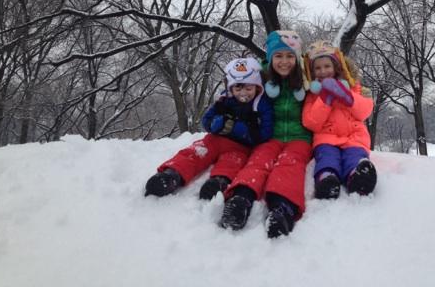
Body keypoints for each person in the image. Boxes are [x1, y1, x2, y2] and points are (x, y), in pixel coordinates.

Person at [219, 30, 312, 238]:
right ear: (270, 58)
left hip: (300, 137)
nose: (284, 62)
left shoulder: (306, 79)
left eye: (289, 56)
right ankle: (241, 198)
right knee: (259, 161)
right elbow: (239, 92)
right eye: (278, 56)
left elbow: (331, 74)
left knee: (290, 164)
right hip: (270, 135)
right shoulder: (261, 79)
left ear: (297, 58)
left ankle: (283, 206)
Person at [144, 57, 273, 200]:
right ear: (231, 88)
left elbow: (265, 133)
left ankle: (218, 182)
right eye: (238, 88)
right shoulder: (224, 100)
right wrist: (215, 123)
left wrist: (241, 130)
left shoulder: (262, 105)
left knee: (231, 163)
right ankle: (172, 174)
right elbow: (206, 120)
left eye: (249, 88)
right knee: (195, 152)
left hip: (240, 147)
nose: (243, 93)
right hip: (214, 140)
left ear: (257, 87)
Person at [302, 40, 377, 199]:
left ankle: (358, 176)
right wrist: (325, 99)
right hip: (326, 139)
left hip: (354, 138)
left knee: (355, 156)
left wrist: (347, 96)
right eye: (318, 68)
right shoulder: (313, 95)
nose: (323, 71)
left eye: (327, 66)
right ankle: (327, 179)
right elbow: (311, 122)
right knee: (327, 158)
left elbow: (365, 112)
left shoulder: (353, 87)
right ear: (312, 72)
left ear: (336, 67)